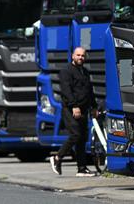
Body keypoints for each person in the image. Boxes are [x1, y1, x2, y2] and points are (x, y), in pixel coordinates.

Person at [50, 47, 98, 177]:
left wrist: (94, 107)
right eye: (78, 55)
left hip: (84, 109)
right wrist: (74, 106)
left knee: (82, 138)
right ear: (72, 56)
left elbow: (89, 91)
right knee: (75, 135)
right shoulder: (66, 71)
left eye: (82, 56)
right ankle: (57, 158)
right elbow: (66, 90)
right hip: (70, 109)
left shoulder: (85, 72)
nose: (80, 58)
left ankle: (81, 168)